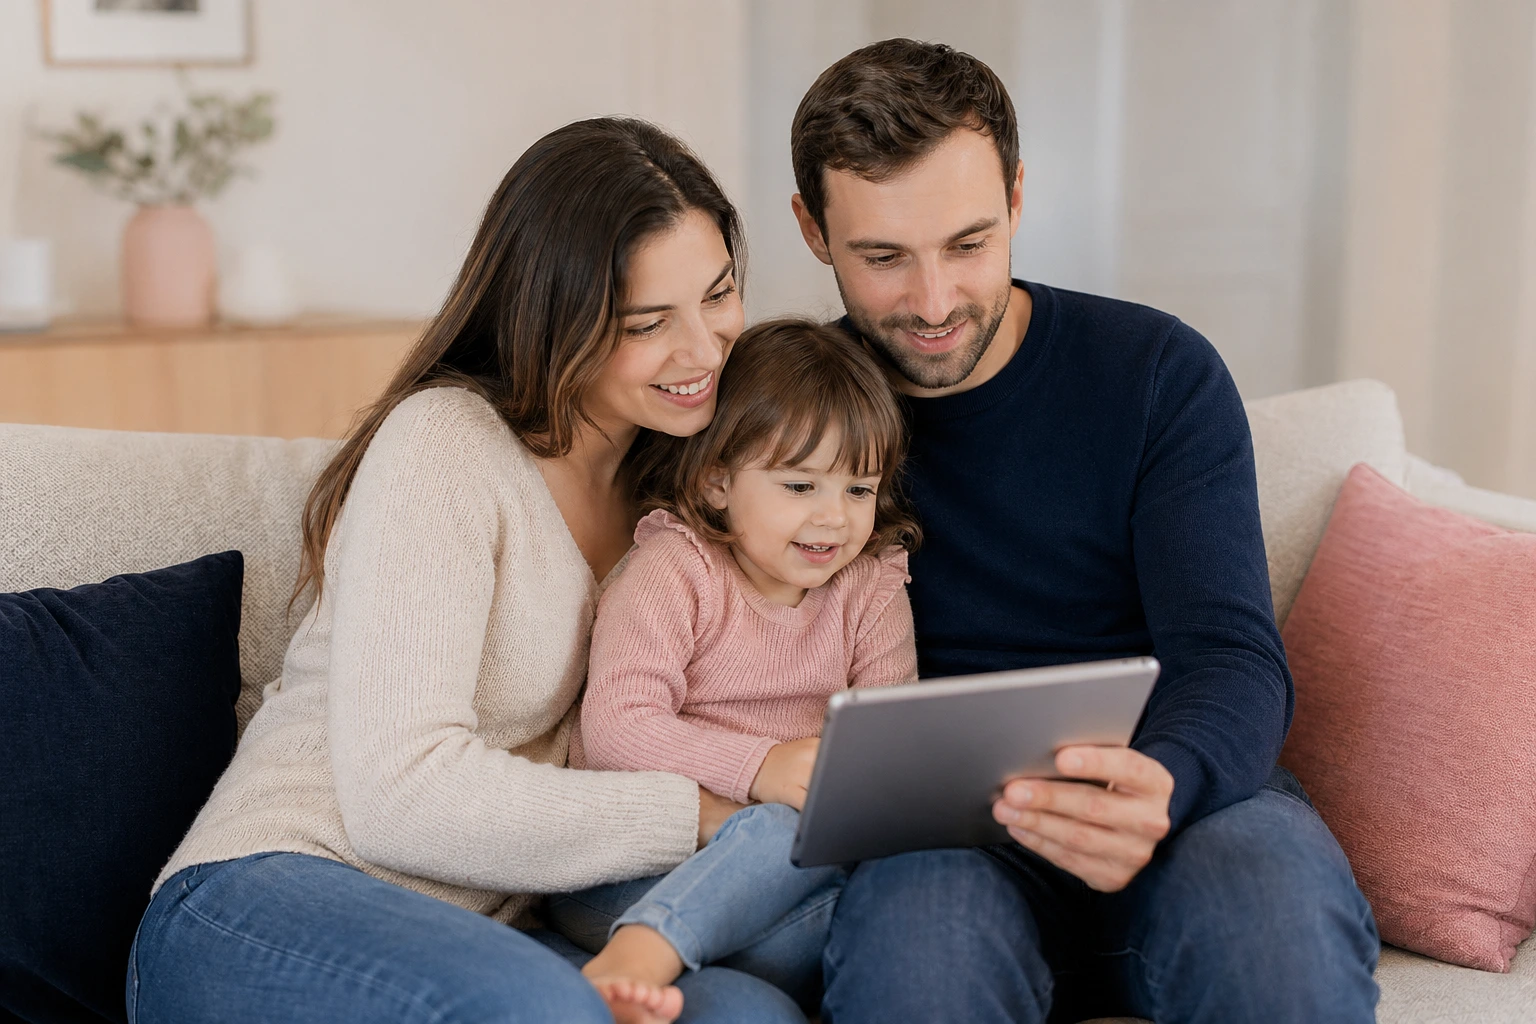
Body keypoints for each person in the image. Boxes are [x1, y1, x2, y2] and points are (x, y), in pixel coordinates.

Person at [126, 118, 807, 1024]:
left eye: (719, 295)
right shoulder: (446, 446)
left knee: (748, 1013)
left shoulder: (686, 490)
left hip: (499, 926)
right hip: (271, 900)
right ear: (553, 316)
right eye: (648, 323)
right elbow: (401, 795)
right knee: (542, 1009)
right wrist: (702, 814)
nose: (706, 349)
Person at [785, 39, 1381, 1024]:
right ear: (813, 229)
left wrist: (1167, 780)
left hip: (1176, 799)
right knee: (915, 967)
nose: (933, 303)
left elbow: (1232, 657)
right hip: (942, 842)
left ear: (1018, 198)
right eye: (883, 257)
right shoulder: (789, 417)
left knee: (1278, 937)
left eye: (968, 244)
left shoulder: (1153, 374)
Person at [551, 319, 920, 1019]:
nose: (833, 519)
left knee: (868, 899)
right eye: (800, 485)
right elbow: (615, 729)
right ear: (718, 481)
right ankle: (639, 950)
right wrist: (762, 768)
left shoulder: (870, 588)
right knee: (778, 828)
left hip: (780, 895)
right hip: (624, 869)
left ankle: (647, 967)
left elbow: (887, 746)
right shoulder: (676, 569)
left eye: (859, 490)